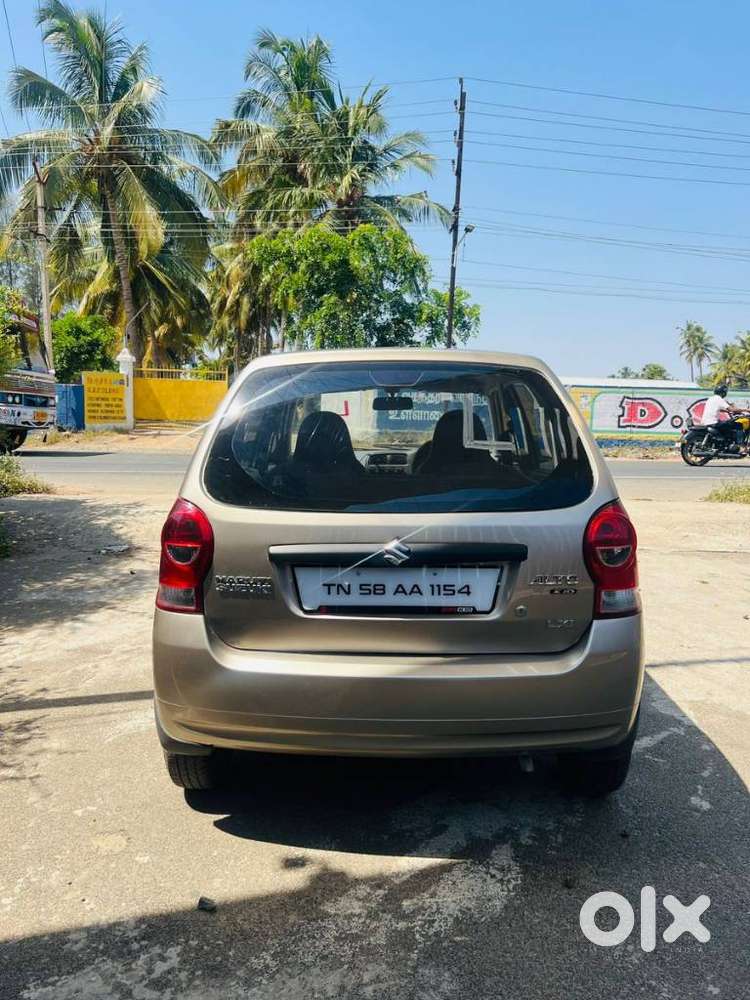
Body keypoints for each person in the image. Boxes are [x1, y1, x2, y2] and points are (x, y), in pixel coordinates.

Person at [700, 385, 745, 450]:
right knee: (739, 425)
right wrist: (746, 410)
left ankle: (727, 443)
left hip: (706, 422)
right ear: (723, 393)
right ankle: (741, 446)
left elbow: (718, 408)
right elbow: (732, 409)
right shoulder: (719, 399)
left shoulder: (711, 398)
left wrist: (727, 411)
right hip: (713, 422)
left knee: (725, 424)